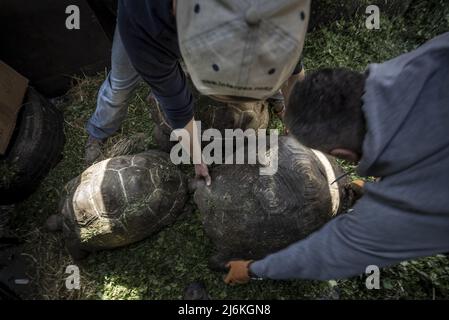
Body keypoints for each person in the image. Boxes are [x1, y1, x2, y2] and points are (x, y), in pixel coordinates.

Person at [224, 32, 449, 284]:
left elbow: (326, 254)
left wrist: (252, 269)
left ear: (342, 155)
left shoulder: (408, 207)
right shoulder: (431, 57)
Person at [85, 0, 309, 186]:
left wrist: (297, 114)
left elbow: (291, 67)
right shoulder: (145, 33)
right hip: (143, 19)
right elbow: (176, 105)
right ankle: (99, 129)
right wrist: (197, 158)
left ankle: (278, 100)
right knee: (120, 85)